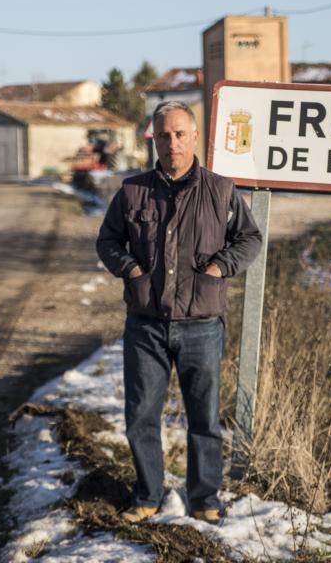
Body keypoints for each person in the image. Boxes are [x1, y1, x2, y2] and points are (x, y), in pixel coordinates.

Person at [96, 101, 263, 524]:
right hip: (146, 326)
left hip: (202, 326)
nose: (172, 143)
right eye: (164, 135)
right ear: (154, 138)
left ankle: (205, 499)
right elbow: (108, 241)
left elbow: (249, 239)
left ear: (193, 136)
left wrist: (218, 267)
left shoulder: (221, 190)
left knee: (204, 419)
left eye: (180, 134)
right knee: (141, 416)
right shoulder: (133, 190)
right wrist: (130, 268)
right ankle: (148, 495)